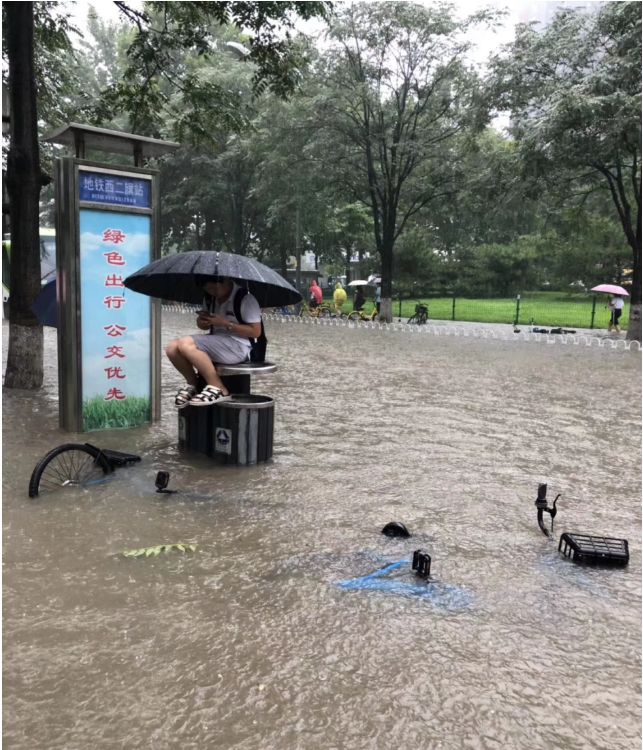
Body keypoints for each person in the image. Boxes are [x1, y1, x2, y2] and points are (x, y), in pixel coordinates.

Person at [165, 276, 262, 407]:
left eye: (215, 287)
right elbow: (204, 326)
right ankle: (193, 384)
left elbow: (256, 332)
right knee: (172, 348)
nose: (213, 292)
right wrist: (202, 322)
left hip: (239, 346)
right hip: (217, 342)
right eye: (208, 288)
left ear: (226, 281)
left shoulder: (245, 299)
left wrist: (226, 324)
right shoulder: (210, 298)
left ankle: (219, 388)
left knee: (186, 344)